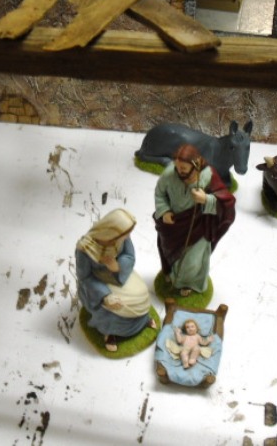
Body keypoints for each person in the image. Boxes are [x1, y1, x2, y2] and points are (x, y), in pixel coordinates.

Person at [154, 144, 236, 297]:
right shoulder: (169, 174)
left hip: (198, 226)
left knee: (192, 262)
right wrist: (164, 211)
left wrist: (206, 199)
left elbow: (227, 202)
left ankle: (188, 283)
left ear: (195, 164)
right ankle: (171, 274)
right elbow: (160, 194)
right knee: (168, 252)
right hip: (174, 225)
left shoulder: (208, 176)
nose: (179, 171)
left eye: (183, 168)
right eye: (177, 166)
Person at [76, 208, 155, 352]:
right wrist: (105, 296)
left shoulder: (122, 237)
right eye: (126, 233)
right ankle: (110, 332)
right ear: (112, 231)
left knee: (141, 293)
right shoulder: (85, 248)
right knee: (118, 304)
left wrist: (117, 266)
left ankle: (142, 321)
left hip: (119, 274)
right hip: (98, 284)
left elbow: (130, 255)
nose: (128, 236)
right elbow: (84, 277)